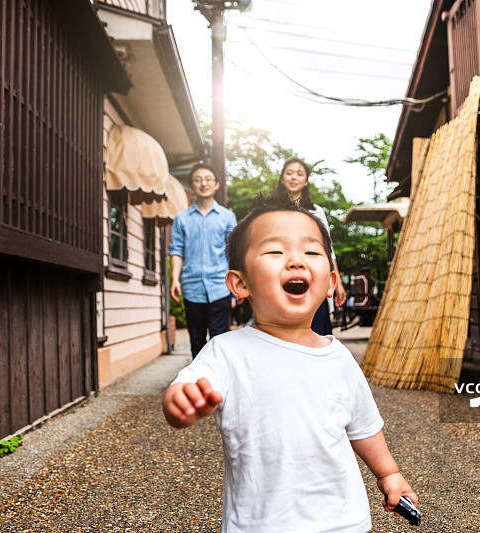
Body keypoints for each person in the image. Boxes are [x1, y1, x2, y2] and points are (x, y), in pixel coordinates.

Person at [162, 198, 417, 533]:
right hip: (260, 524)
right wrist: (180, 400)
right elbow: (183, 389)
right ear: (240, 284)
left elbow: (363, 426)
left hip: (344, 522)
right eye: (275, 252)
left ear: (329, 282)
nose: (296, 260)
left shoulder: (339, 358)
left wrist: (389, 474)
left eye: (311, 252)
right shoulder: (226, 351)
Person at [170, 163, 237, 358]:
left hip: (220, 286)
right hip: (192, 288)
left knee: (220, 340)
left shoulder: (227, 216)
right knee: (196, 341)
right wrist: (175, 278)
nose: (203, 184)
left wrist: (237, 282)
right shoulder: (181, 218)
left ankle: (220, 384)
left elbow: (233, 251)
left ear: (216, 184)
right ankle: (199, 384)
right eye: (198, 180)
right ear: (192, 186)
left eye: (208, 179)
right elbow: (177, 250)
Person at [276, 157, 347, 335]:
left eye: (299, 174)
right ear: (282, 178)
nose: (294, 178)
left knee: (316, 332)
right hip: (282, 276)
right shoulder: (272, 211)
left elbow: (327, 249)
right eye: (289, 173)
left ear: (306, 181)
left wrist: (337, 283)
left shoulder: (316, 211)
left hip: (313, 277)